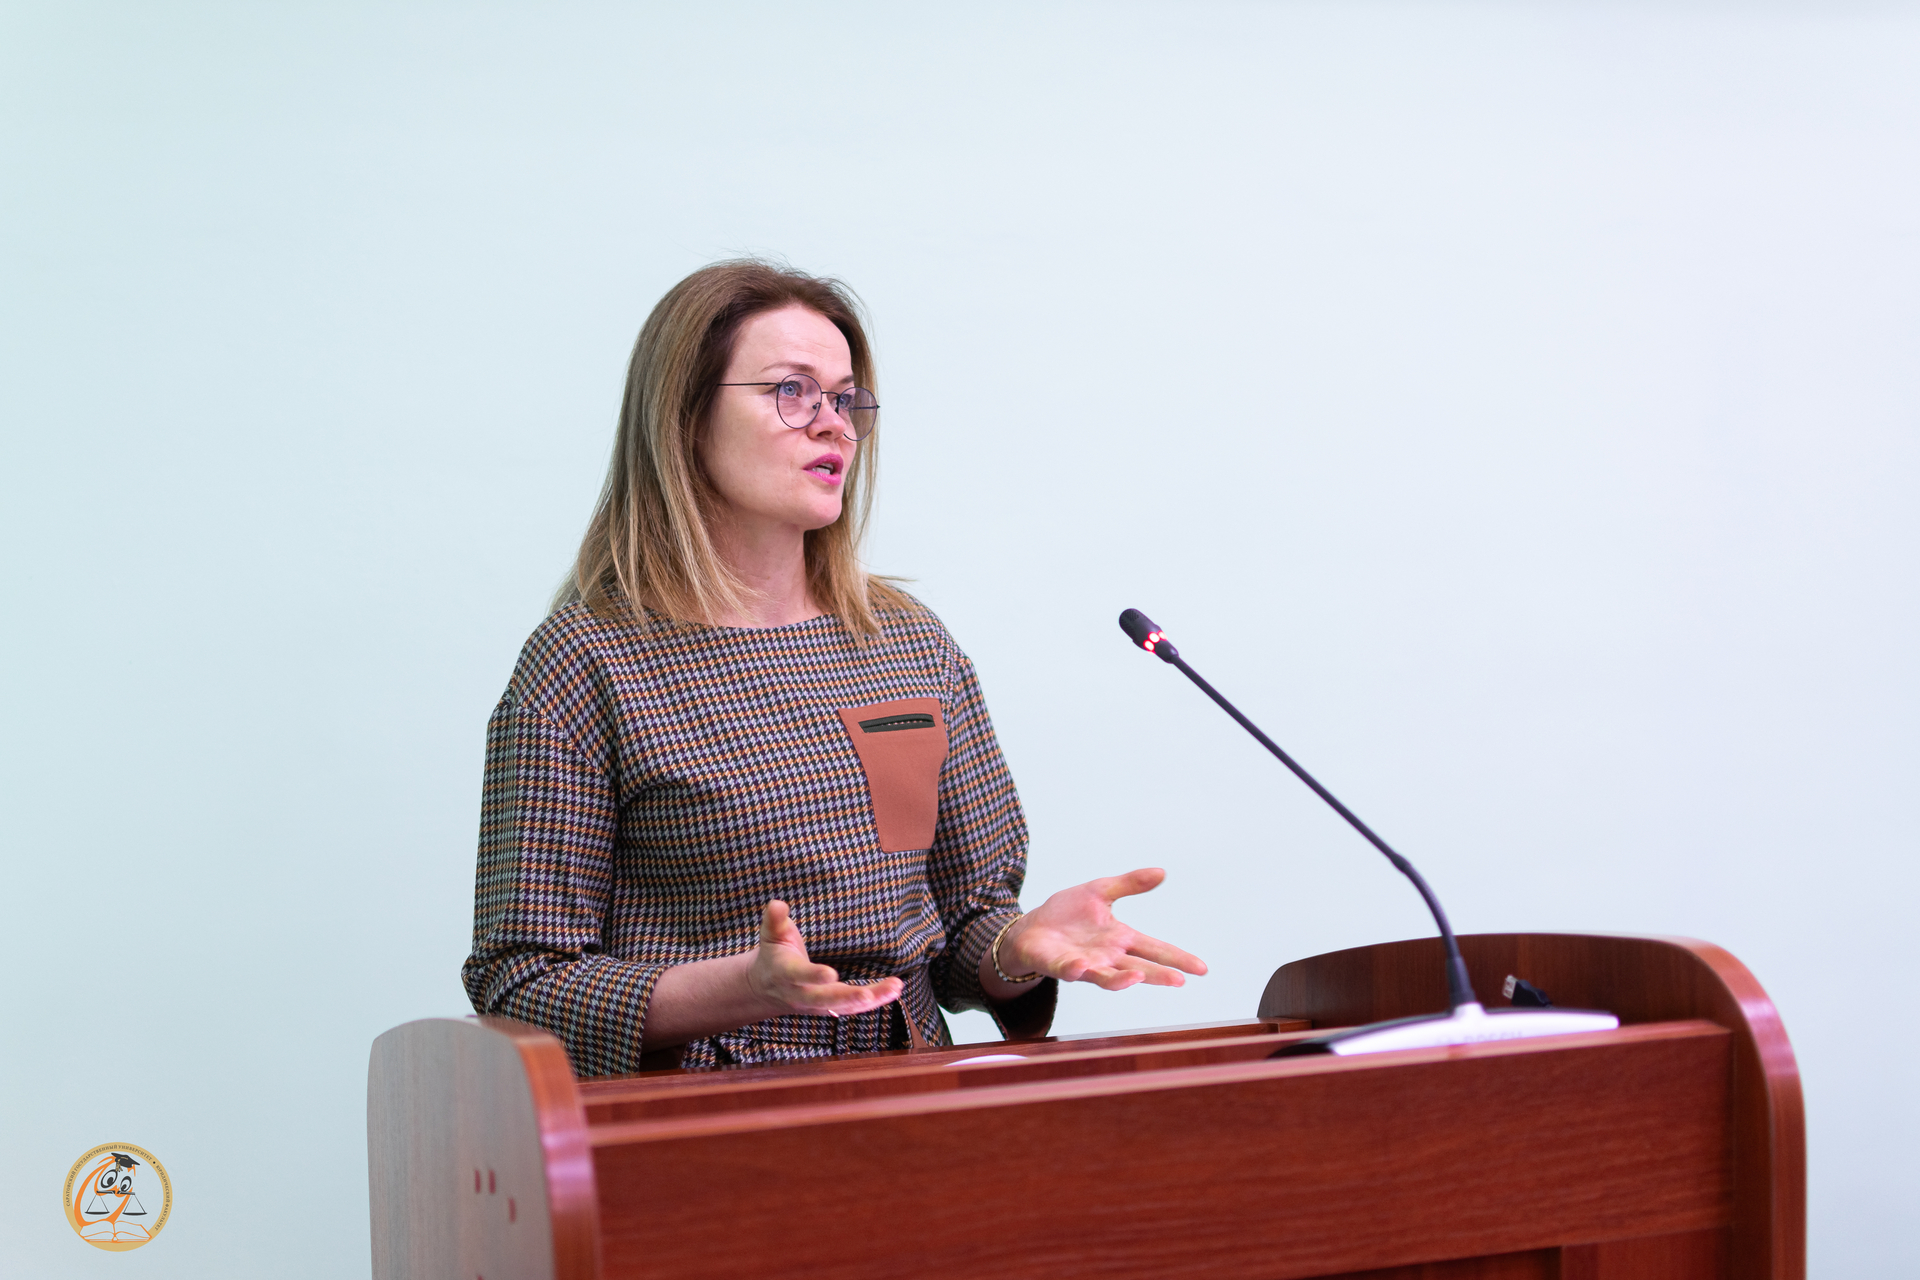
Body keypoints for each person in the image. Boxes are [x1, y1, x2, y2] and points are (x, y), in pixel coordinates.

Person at [461, 260, 1205, 1075]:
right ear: (684, 417)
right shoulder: (584, 661)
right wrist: (745, 988)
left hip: (910, 1097)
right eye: (793, 391)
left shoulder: (909, 643)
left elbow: (964, 932)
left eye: (846, 400)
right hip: (702, 1117)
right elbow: (521, 980)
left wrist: (1020, 945)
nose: (834, 427)